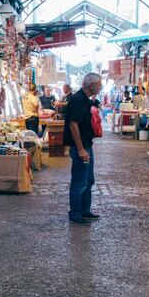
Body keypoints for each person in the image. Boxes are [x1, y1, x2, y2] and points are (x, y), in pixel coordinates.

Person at [64, 73, 103, 224]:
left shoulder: (84, 99)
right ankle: (75, 213)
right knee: (79, 181)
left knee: (88, 180)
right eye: (99, 84)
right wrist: (80, 149)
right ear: (91, 85)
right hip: (81, 147)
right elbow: (73, 125)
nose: (100, 87)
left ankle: (85, 210)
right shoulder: (78, 100)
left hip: (87, 145)